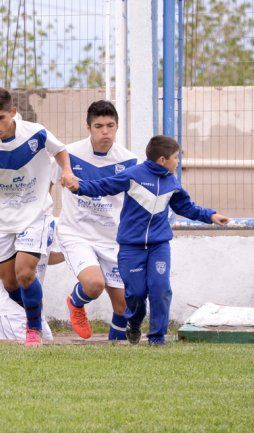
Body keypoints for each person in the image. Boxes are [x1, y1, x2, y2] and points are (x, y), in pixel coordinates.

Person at [68, 135, 229, 345]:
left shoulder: (172, 182)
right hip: (131, 247)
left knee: (160, 288)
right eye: (175, 157)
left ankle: (157, 338)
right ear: (162, 160)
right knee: (136, 294)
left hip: (158, 246)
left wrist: (211, 216)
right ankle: (134, 323)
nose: (178, 162)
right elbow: (103, 186)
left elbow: (186, 207)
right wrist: (78, 187)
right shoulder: (133, 175)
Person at [0, 87, 77, 347]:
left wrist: (67, 171)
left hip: (35, 214)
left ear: (13, 113)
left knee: (25, 273)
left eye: (0, 118)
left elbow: (60, 150)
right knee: (9, 281)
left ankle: (33, 328)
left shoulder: (35, 133)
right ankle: (33, 317)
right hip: (1, 219)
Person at [56, 100, 138, 341]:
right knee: (94, 284)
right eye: (99, 126)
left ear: (117, 126)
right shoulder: (68, 154)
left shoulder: (130, 162)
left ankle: (116, 350)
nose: (105, 132)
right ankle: (75, 302)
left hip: (112, 238)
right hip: (77, 233)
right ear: (88, 127)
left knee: (124, 307)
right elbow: (47, 184)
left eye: (110, 126)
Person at [0, 227, 57, 342]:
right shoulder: (12, 222)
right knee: (30, 351)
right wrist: (10, 278)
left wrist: (72, 253)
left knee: (47, 347)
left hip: (33, 305)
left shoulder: (48, 222)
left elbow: (44, 255)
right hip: (9, 308)